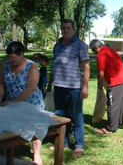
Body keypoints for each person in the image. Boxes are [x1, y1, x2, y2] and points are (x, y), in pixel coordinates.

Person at [0, 42, 45, 165]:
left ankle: (36, 155)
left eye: (14, 57)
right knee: (9, 126)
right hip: (11, 101)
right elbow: (1, 83)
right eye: (9, 57)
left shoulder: (31, 66)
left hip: (31, 102)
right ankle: (6, 152)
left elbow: (30, 89)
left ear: (21, 54)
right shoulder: (5, 65)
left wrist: (13, 101)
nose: (11, 59)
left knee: (35, 127)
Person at [47, 19, 90, 157]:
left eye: (68, 28)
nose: (65, 30)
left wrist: (85, 87)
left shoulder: (80, 45)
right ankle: (63, 142)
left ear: (73, 29)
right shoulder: (57, 45)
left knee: (76, 116)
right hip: (58, 86)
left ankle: (78, 145)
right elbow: (54, 66)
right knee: (61, 116)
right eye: (63, 28)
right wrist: (49, 84)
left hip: (74, 87)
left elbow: (86, 67)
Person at [89, 39, 123, 134]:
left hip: (117, 81)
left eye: (94, 51)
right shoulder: (110, 50)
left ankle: (110, 128)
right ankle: (121, 122)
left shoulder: (101, 54)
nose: (95, 53)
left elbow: (101, 73)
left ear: (96, 48)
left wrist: (100, 85)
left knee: (112, 104)